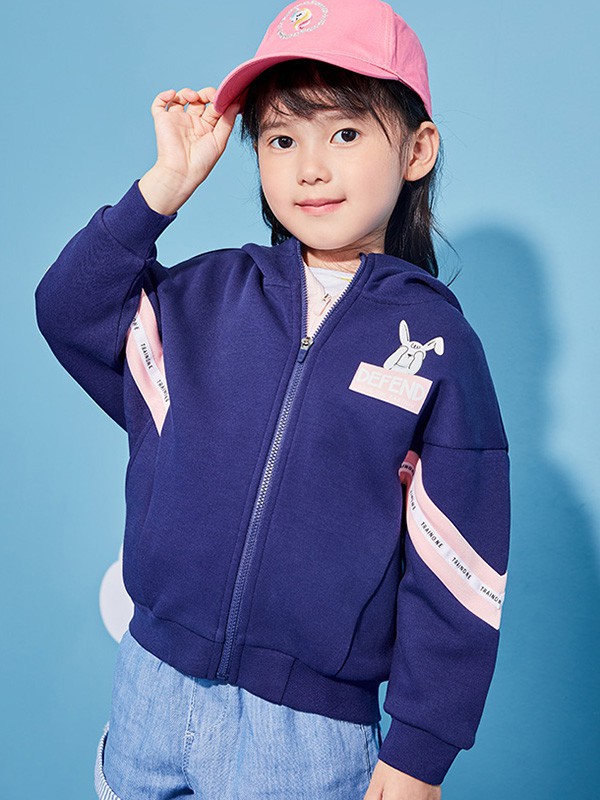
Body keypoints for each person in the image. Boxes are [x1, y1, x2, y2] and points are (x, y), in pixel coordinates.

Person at [34, 0, 511, 798]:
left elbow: (458, 562)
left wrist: (420, 751)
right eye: (281, 139)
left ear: (417, 149)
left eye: (345, 133)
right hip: (151, 683)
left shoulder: (437, 347)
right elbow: (68, 308)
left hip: (306, 735)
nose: (309, 168)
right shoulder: (205, 297)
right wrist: (163, 189)